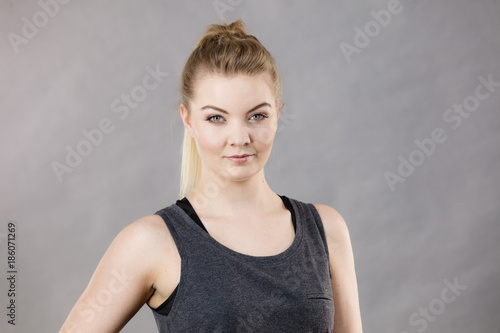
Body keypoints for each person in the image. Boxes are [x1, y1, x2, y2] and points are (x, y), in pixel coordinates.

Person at [60, 19, 362, 333]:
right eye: (216, 118)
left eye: (257, 115)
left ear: (278, 115)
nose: (240, 137)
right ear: (188, 121)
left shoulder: (326, 231)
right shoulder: (151, 242)